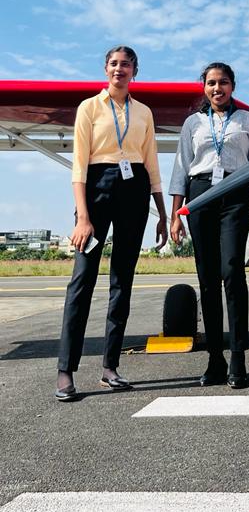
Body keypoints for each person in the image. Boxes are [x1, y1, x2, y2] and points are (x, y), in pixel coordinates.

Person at [55, 46, 168, 400]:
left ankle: (109, 367)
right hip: (97, 186)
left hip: (134, 187)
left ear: (135, 70)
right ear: (105, 69)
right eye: (114, 63)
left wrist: (162, 211)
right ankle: (65, 371)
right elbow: (78, 165)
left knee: (123, 280)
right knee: (83, 280)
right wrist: (83, 216)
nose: (120, 69)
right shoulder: (89, 108)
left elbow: (151, 163)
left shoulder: (144, 112)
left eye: (127, 64)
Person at [169, 62, 249, 389]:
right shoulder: (192, 124)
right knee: (207, 279)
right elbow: (181, 168)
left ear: (233, 86)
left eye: (223, 82)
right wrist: (176, 215)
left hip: (235, 194)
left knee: (231, 272)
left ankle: (238, 357)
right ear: (204, 87)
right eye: (211, 83)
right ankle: (215, 359)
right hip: (200, 197)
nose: (217, 88)